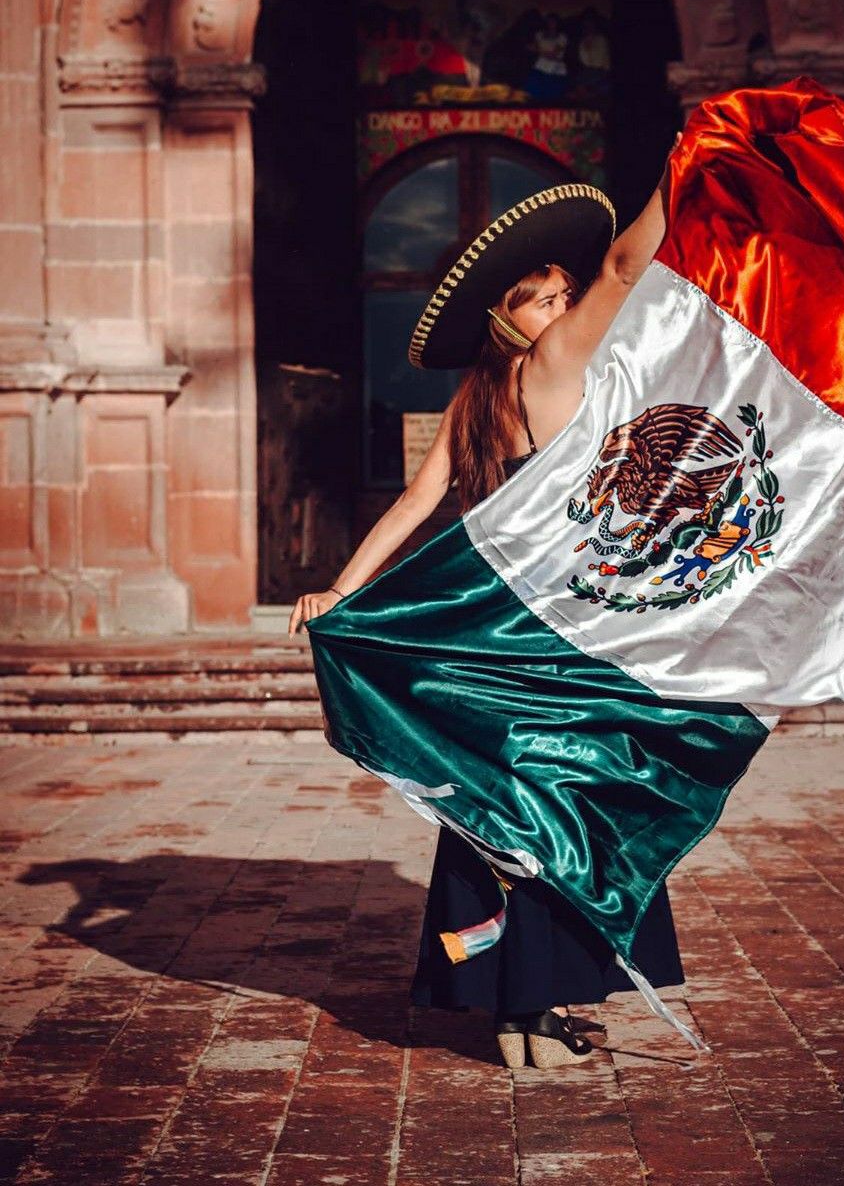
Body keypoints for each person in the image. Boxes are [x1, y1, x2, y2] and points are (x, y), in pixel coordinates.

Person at [289, 138, 682, 1069]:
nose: (564, 307)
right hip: (562, 633)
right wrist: (683, 161)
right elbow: (626, 264)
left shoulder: (476, 400)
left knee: (497, 810)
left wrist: (343, 588)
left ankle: (513, 1015)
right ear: (513, 321)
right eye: (545, 298)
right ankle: (537, 1015)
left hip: (493, 627)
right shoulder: (552, 366)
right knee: (577, 810)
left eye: (561, 294)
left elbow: (414, 505)